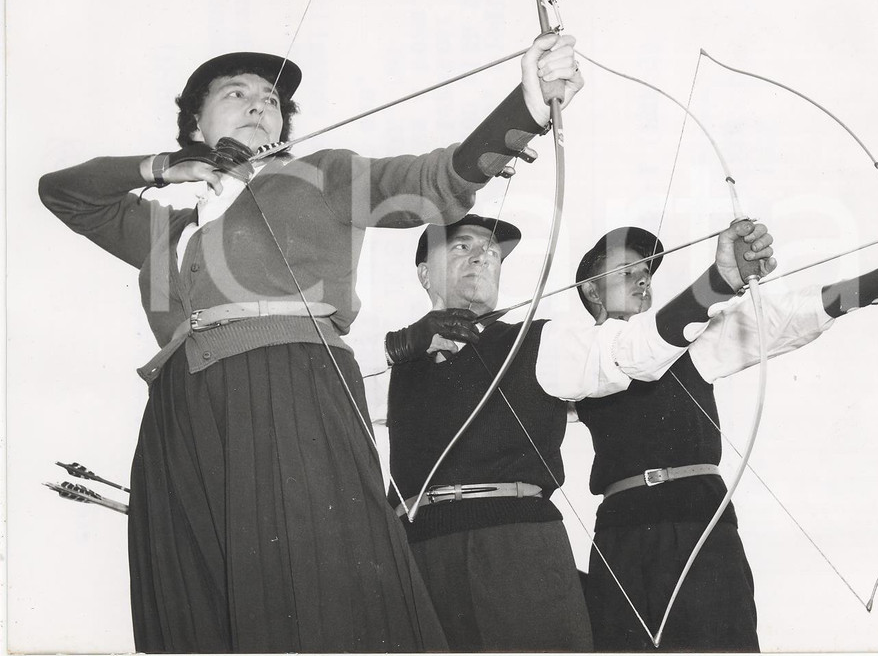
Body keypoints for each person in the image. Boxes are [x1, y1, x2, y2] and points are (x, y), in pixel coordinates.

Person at [37, 34, 582, 653]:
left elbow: (431, 183)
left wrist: (526, 108)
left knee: (312, 590)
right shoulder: (168, 227)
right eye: (234, 93)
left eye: (270, 99)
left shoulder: (318, 174)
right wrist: (162, 167)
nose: (257, 104)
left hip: (289, 384)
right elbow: (63, 192)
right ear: (195, 122)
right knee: (200, 599)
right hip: (179, 409)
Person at [378, 214, 767, 651]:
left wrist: (718, 282)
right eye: (461, 246)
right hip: (415, 553)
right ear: (424, 273)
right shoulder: (396, 357)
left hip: (511, 549)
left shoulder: (540, 341)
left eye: (490, 251)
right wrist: (404, 345)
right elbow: (332, 392)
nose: (482, 256)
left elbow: (631, 351)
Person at [572, 222, 878, 652]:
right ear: (592, 291)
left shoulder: (692, 339)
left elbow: (793, 314)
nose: (643, 279)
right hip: (620, 532)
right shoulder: (569, 358)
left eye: (646, 272)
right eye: (627, 270)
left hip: (700, 524)